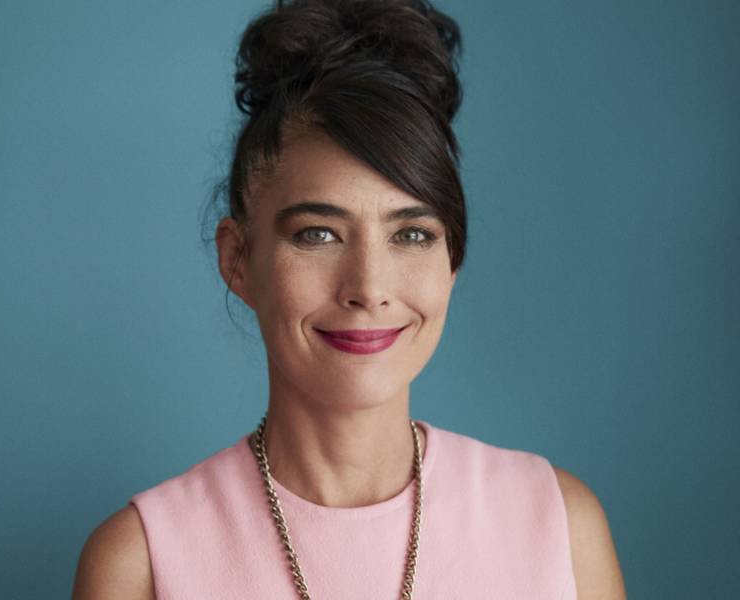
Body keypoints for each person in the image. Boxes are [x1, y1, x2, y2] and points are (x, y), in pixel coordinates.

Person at [72, 1, 626, 598]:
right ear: (238, 260)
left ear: (452, 259)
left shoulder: (560, 526)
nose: (368, 287)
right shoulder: (141, 563)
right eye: (319, 234)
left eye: (411, 235)